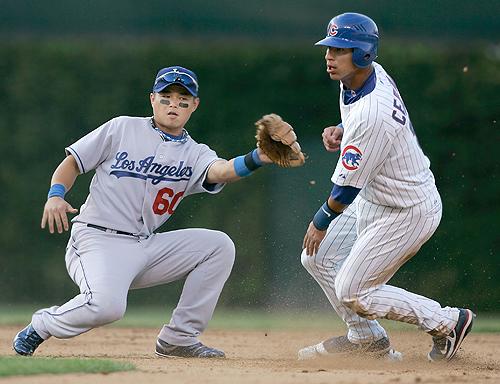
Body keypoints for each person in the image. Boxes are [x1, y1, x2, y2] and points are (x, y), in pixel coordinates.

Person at [12, 65, 288, 358]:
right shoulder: (122, 128)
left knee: (218, 246)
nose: (174, 104)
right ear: (152, 99)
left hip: (144, 244)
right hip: (97, 239)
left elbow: (222, 170)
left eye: (183, 99)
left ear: (194, 105)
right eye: (166, 96)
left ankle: (179, 338)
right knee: (107, 307)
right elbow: (73, 163)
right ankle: (42, 325)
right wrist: (56, 195)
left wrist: (258, 156)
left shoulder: (195, 152)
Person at [298, 13, 474, 362]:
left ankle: (447, 322)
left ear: (363, 53)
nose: (329, 56)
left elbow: (344, 189)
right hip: (377, 197)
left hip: (406, 211)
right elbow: (362, 128)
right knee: (315, 257)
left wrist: (320, 221)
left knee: (353, 291)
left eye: (340, 49)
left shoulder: (371, 111)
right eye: (329, 47)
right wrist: (342, 129)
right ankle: (367, 340)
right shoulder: (361, 78)